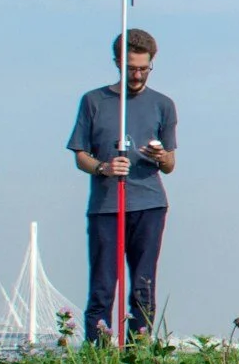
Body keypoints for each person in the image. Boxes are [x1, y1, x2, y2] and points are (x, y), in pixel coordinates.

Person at [67, 27, 179, 341]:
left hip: (149, 205)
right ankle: (98, 358)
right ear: (118, 63)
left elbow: (170, 165)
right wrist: (104, 167)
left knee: (143, 286)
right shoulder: (93, 101)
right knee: (102, 287)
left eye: (145, 69)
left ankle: (138, 355)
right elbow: (80, 155)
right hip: (106, 207)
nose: (139, 75)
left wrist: (159, 155)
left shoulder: (163, 105)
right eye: (132, 69)